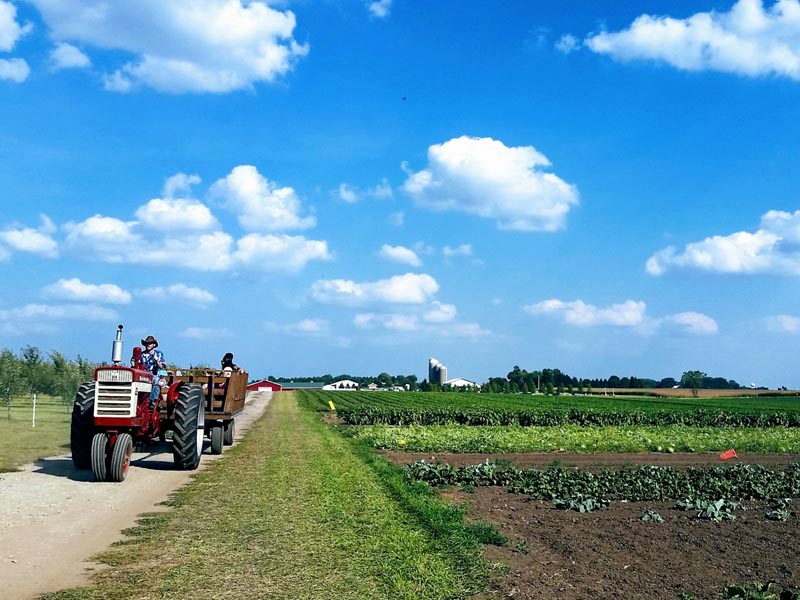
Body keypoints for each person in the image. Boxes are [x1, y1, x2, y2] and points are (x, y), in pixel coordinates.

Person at [132, 335, 167, 407]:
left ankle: (152, 401)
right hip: (143, 375)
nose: (148, 345)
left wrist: (157, 360)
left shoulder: (158, 354)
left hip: (153, 375)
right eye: (146, 343)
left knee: (156, 380)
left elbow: (162, 366)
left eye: (150, 343)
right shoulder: (141, 354)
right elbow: (135, 365)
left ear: (154, 345)